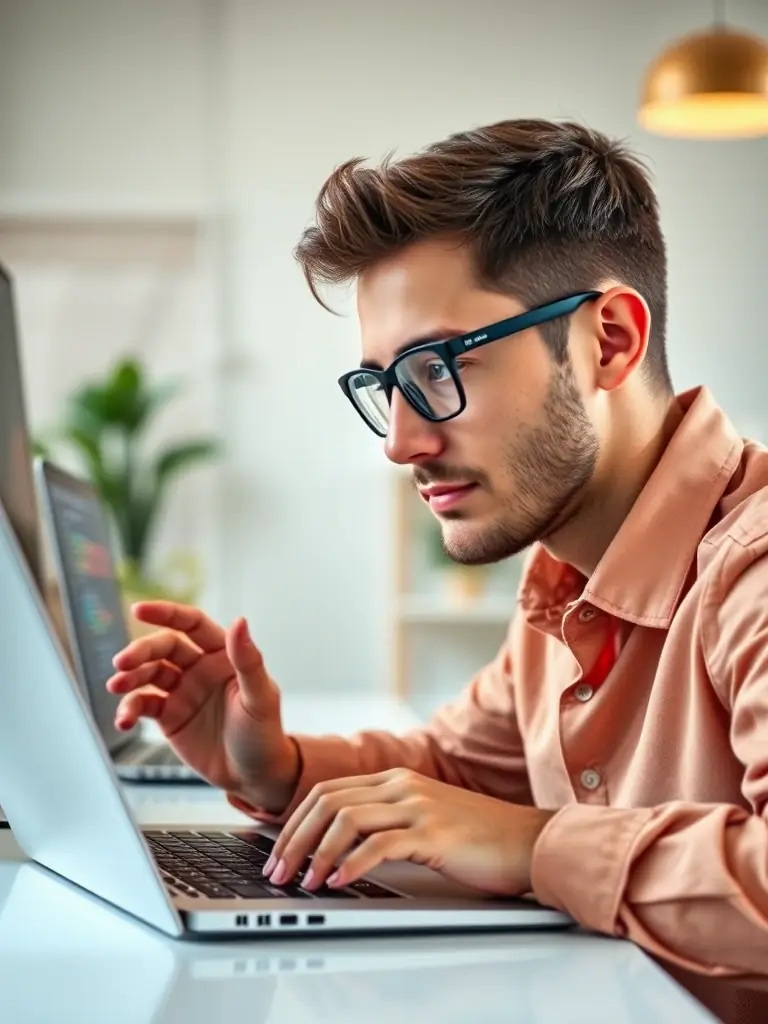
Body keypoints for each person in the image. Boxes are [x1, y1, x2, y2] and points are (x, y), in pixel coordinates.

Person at [107, 119, 768, 1022]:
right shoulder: (565, 581)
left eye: (439, 368)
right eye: (386, 386)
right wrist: (279, 768)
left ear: (608, 342)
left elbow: (505, 826)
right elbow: (457, 772)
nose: (401, 442)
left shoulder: (751, 568)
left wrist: (536, 846)